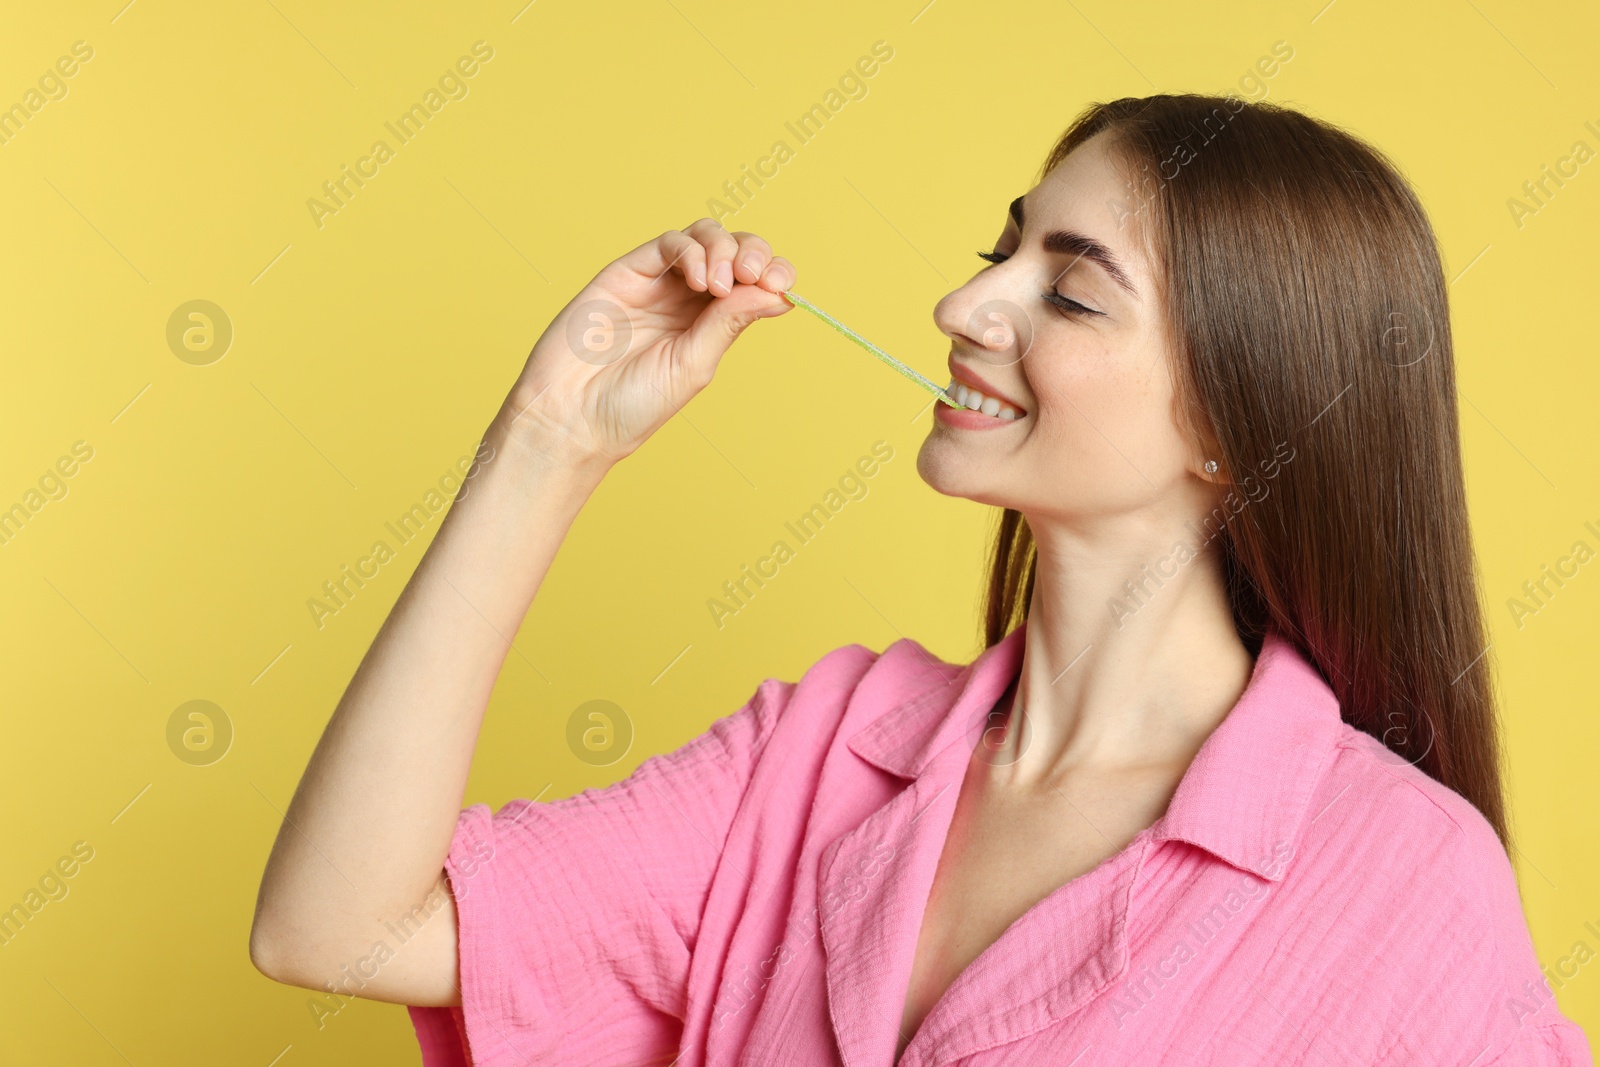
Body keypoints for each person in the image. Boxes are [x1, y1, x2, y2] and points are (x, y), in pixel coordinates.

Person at [249, 93, 1594, 1065]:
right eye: (999, 249)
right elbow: (335, 931)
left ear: (1236, 424)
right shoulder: (823, 754)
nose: (969, 309)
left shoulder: (1397, 880)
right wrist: (548, 442)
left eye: (1069, 295)